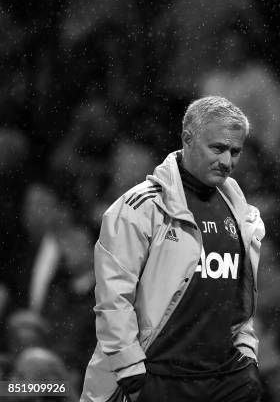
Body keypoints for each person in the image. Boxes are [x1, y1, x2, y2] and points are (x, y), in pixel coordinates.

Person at [80, 96, 265, 402]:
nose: (227, 161)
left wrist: (247, 355)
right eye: (217, 148)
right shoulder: (140, 207)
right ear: (187, 139)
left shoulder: (243, 215)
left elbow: (240, 299)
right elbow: (113, 297)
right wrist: (130, 369)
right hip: (158, 376)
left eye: (235, 152)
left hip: (225, 379)